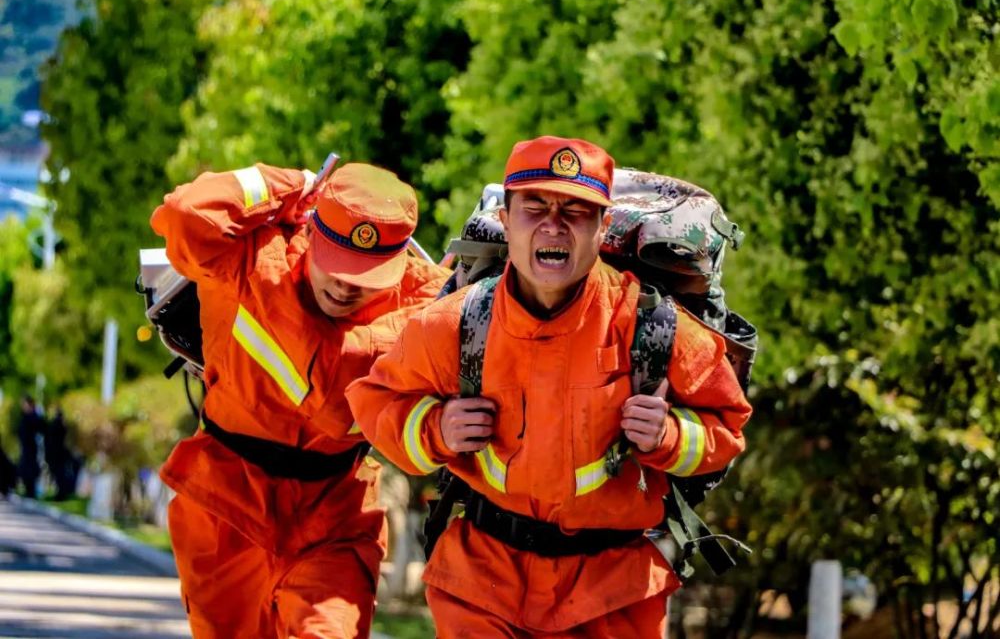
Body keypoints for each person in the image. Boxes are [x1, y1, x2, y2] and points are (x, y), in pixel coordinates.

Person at [346, 136, 753, 637]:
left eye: (575, 211)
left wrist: (668, 436)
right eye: (534, 207)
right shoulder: (458, 323)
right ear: (506, 220)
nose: (553, 225)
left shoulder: (653, 326)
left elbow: (727, 426)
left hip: (611, 595)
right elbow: (377, 400)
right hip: (483, 583)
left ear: (603, 226)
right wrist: (436, 429)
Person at [151, 161, 449, 639]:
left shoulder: (426, 303)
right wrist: (293, 183)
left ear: (397, 265)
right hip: (226, 508)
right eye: (336, 262)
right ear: (311, 233)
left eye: (367, 274)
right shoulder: (252, 255)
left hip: (334, 518)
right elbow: (186, 212)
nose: (346, 284)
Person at [16, 395, 42, 499]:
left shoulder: (33, 416)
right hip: (25, 447)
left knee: (30, 469)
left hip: (31, 447)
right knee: (25, 469)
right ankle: (28, 490)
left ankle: (31, 491)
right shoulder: (25, 417)